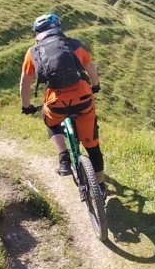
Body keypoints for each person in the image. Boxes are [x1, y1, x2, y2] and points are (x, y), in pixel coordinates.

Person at [20, 13, 105, 191]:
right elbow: (90, 67)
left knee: (50, 120)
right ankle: (101, 185)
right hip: (83, 98)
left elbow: (25, 83)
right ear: (58, 28)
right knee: (92, 146)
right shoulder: (73, 44)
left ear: (37, 33)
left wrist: (26, 106)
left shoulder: (33, 52)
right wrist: (95, 86)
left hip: (56, 102)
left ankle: (64, 157)